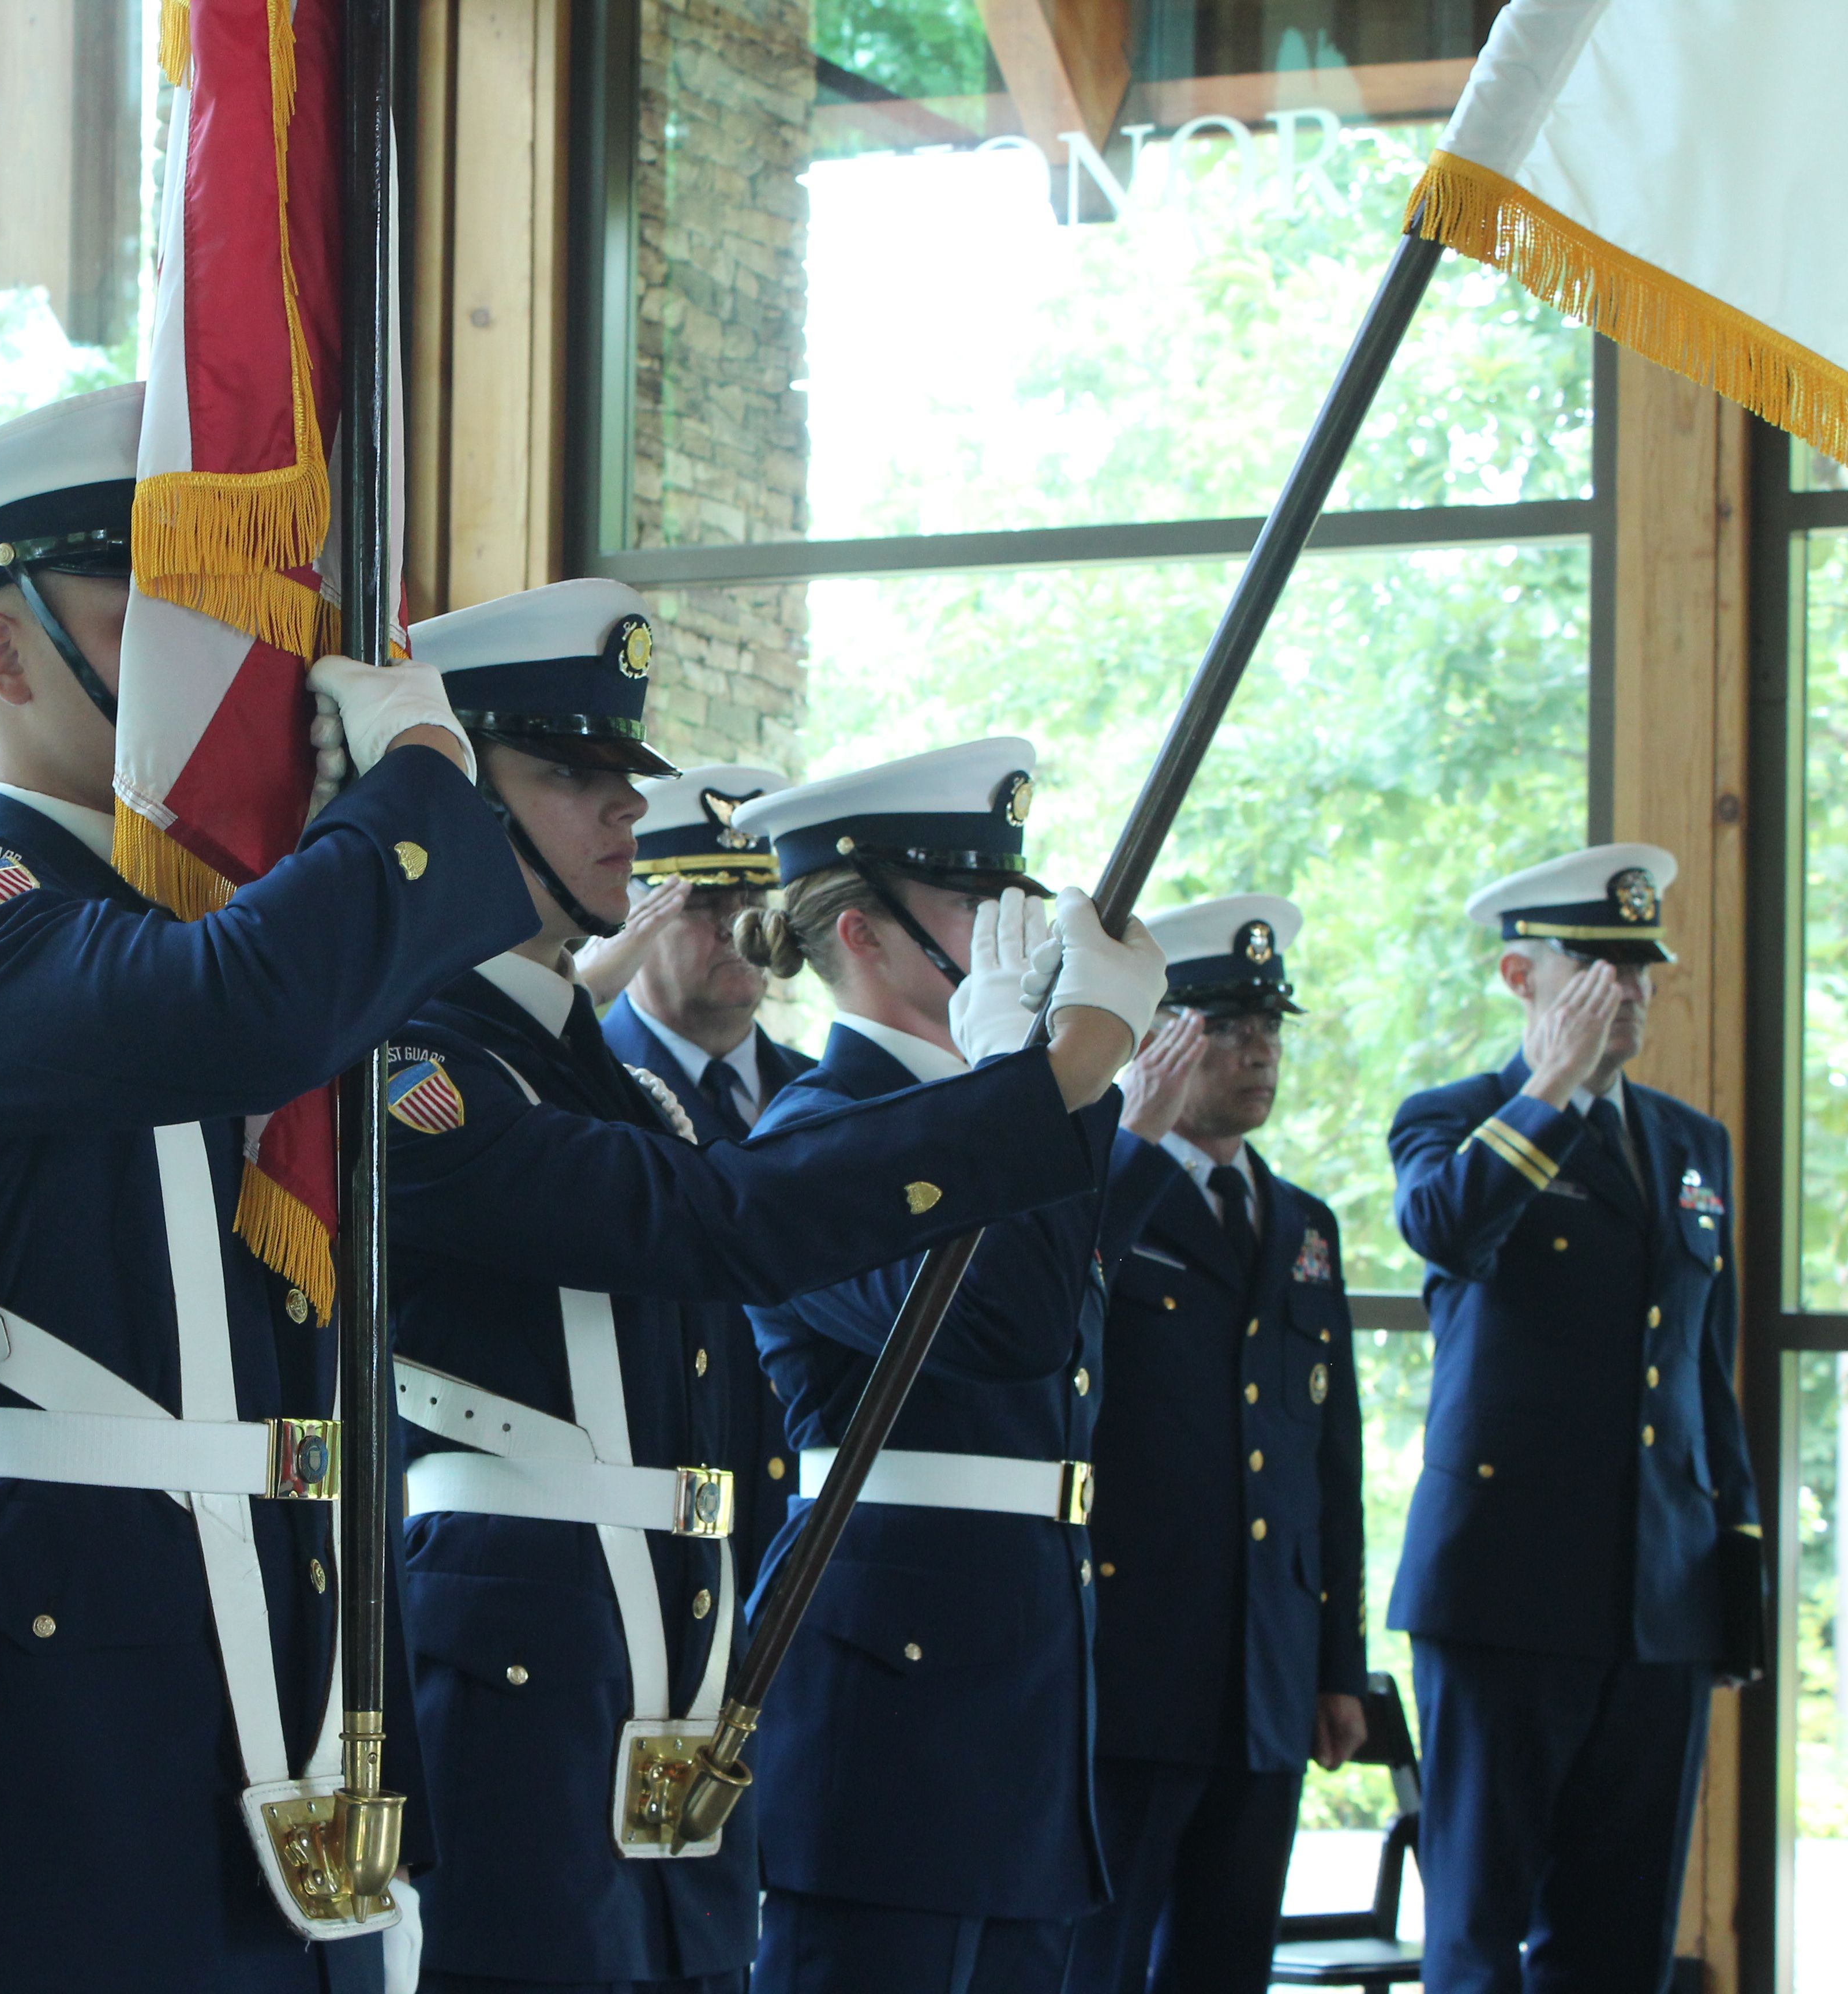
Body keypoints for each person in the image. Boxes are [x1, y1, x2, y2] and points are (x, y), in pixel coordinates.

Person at [0, 383, 533, 1994]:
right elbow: (229, 1011)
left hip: (284, 1648)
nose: (232, 664)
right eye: (160, 614)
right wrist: (418, 782)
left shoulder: (248, 926)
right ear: (3, 657)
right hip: (63, 1698)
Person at [379, 640, 1164, 1994]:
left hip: (669, 1651)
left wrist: (1042, 1090)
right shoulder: (420, 1060)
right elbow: (730, 1225)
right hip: (531, 1662)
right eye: (568, 772)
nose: (628, 808)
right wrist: (1043, 1079)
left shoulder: (600, 1081)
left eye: (624, 772)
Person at [732, 741, 1170, 1994]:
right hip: (891, 1707)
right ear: (863, 932)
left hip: (1025, 1678)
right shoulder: (815, 1137)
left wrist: (1044, 1086)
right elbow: (1005, 1324)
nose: (1016, 931)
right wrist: (1024, 1084)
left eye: (1018, 896)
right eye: (976, 902)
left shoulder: (999, 1106)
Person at [1388, 843, 1760, 1993]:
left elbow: (1703, 1367)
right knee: (1479, 1927)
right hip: (1503, 1589)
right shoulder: (1456, 1117)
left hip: (1658, 1597)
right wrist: (1546, 1089)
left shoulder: (1691, 1145)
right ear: (1521, 978)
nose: (1628, 993)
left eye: (1639, 969)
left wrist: (1733, 1570)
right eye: (1597, 970)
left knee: (1621, 1934)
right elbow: (1446, 1230)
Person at [1066, 895, 1367, 1994]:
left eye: (1270, 1027)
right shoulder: (1103, 1196)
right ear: (1157, 1038)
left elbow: (1329, 1461)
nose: (1259, 1052)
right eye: (1229, 1027)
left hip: (1266, 1673)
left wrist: (1336, 1667)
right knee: (1098, 1962)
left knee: (1230, 1964)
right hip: (1135, 1662)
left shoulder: (1304, 1225)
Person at [590, 762, 816, 1597]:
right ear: (634, 914)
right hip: (644, 1540)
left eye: (754, 900)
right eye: (703, 903)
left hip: (801, 1536)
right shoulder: (586, 1082)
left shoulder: (821, 1096)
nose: (737, 928)